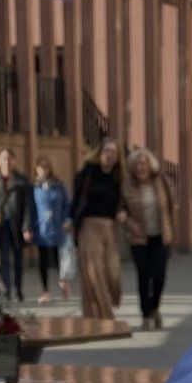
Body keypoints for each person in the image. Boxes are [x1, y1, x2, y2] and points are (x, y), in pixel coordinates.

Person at [69, 137, 126, 321]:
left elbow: (126, 202)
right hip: (89, 225)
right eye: (106, 151)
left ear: (118, 157)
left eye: (113, 152)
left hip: (110, 227)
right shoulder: (87, 173)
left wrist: (124, 212)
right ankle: (104, 315)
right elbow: (77, 199)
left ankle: (107, 303)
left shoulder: (120, 178)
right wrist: (70, 219)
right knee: (94, 271)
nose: (109, 155)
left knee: (113, 271)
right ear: (100, 153)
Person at [122, 146, 171, 330]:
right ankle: (146, 314)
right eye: (137, 165)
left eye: (143, 164)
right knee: (144, 276)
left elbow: (170, 208)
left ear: (150, 165)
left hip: (160, 236)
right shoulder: (127, 186)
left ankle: (155, 307)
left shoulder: (161, 182)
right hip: (139, 239)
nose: (140, 168)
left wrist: (170, 233)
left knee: (159, 276)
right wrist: (127, 220)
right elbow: (120, 208)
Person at [0, 149, 34, 305]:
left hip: (17, 225)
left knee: (18, 260)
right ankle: (7, 290)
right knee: (4, 259)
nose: (6, 161)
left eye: (8, 158)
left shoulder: (22, 180)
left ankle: (18, 288)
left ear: (13, 160)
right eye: (3, 158)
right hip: (1, 225)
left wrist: (26, 227)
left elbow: (28, 206)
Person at [30, 157, 70, 305]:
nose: (43, 170)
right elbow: (31, 208)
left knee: (58, 258)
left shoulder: (59, 185)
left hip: (57, 227)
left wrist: (67, 220)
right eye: (40, 167)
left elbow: (67, 204)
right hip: (41, 228)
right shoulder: (34, 187)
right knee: (43, 260)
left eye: (46, 167)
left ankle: (62, 282)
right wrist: (29, 227)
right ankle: (45, 291)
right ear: (36, 169)